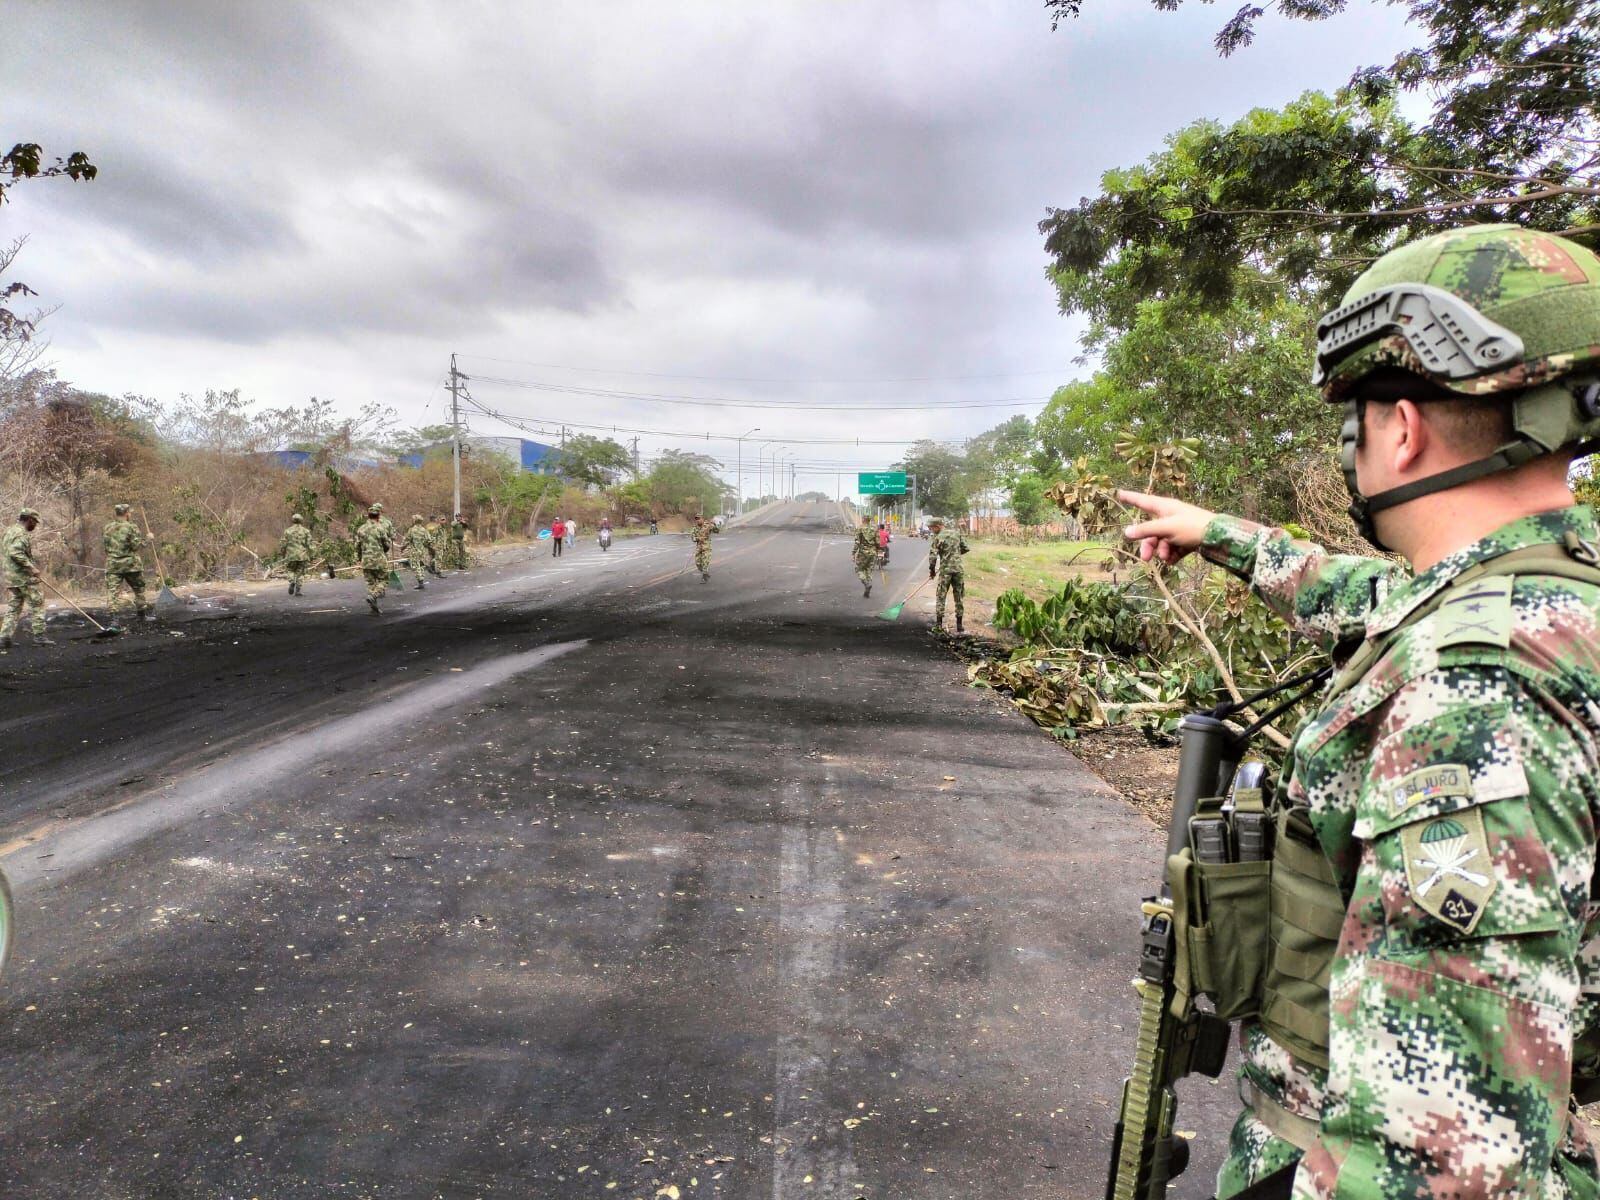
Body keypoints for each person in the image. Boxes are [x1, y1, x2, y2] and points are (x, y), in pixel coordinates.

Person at [1121, 224, 1600, 1200]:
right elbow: (1378, 594)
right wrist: (1221, 536)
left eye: (1356, 420)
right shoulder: (1548, 601)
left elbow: (1444, 1158)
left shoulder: (1471, 696)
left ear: (1401, 429)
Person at [0, 508, 51, 651]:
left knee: (14, 607)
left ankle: (4, 638)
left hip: (10, 577)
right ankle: (39, 637)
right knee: (37, 603)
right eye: (35, 522)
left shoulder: (8, 531)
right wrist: (31, 568)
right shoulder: (21, 534)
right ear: (29, 519)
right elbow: (15, 552)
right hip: (23, 577)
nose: (35, 525)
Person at [102, 502, 149, 619]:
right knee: (139, 589)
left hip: (113, 565)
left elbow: (106, 547)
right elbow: (136, 546)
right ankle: (141, 616)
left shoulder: (107, 527)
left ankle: (114, 621)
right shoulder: (131, 527)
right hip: (131, 565)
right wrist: (148, 539)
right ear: (127, 514)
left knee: (113, 593)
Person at [928, 516, 967, 633]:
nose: (931, 530)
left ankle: (939, 624)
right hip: (958, 570)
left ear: (938, 526)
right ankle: (959, 625)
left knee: (941, 596)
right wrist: (954, 555)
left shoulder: (938, 537)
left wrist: (932, 570)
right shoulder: (956, 533)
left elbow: (933, 557)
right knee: (959, 597)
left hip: (945, 571)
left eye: (932, 528)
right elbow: (965, 548)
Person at [353, 503, 392, 615]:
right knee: (384, 580)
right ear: (378, 516)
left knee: (370, 584)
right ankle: (373, 596)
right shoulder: (380, 528)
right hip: (379, 560)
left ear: (368, 515)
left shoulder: (361, 529)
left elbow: (357, 546)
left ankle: (373, 608)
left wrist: (359, 559)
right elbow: (387, 545)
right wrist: (383, 551)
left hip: (366, 561)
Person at [280, 513, 314, 596]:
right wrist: (311, 555)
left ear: (293, 520)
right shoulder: (306, 531)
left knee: (290, 570)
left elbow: (283, 544)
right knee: (300, 573)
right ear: (301, 520)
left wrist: (283, 554)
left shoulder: (287, 531)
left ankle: (292, 582)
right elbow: (310, 544)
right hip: (302, 555)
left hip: (291, 555)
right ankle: (298, 590)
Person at [851, 516, 879, 598]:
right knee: (868, 571)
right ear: (869, 520)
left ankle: (866, 584)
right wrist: (877, 550)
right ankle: (867, 588)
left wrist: (853, 553)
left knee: (859, 569)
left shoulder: (860, 528)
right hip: (873, 552)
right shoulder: (874, 529)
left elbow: (857, 542)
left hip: (863, 553)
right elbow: (878, 542)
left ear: (863, 520)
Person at [404, 514, 432, 590]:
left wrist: (402, 547)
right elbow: (429, 540)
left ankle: (420, 582)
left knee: (416, 566)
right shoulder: (424, 530)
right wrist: (425, 545)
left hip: (415, 551)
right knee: (421, 565)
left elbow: (407, 540)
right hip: (422, 550)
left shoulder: (411, 530)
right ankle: (422, 580)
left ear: (414, 521)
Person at [691, 515, 712, 582]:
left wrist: (714, 525)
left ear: (702, 519)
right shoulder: (695, 528)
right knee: (698, 563)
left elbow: (717, 531)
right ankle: (705, 573)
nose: (697, 520)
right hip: (699, 548)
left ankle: (704, 577)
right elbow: (693, 537)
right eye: (696, 519)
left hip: (706, 548)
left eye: (699, 518)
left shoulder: (708, 526)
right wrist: (697, 539)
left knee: (705, 562)